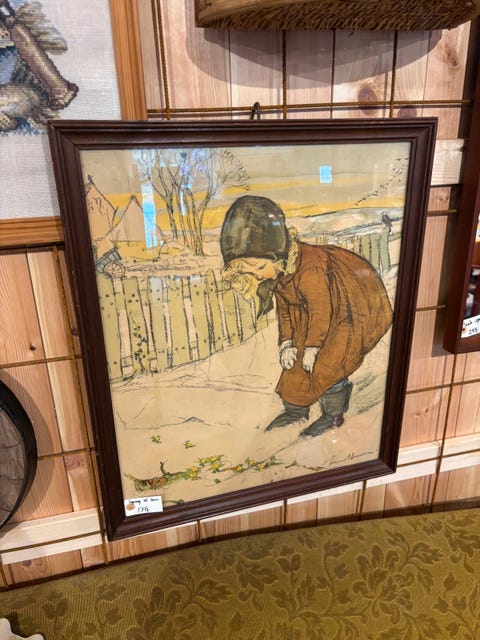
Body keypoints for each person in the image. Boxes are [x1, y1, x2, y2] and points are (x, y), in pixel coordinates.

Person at [220, 195, 393, 437]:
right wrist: (287, 343)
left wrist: (313, 346)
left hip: (344, 310)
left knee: (329, 361)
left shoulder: (311, 268)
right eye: (252, 272)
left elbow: (321, 309)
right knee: (294, 365)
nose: (258, 276)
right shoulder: (279, 273)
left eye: (259, 268)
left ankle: (333, 414)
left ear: (277, 254)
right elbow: (285, 310)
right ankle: (296, 410)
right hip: (309, 316)